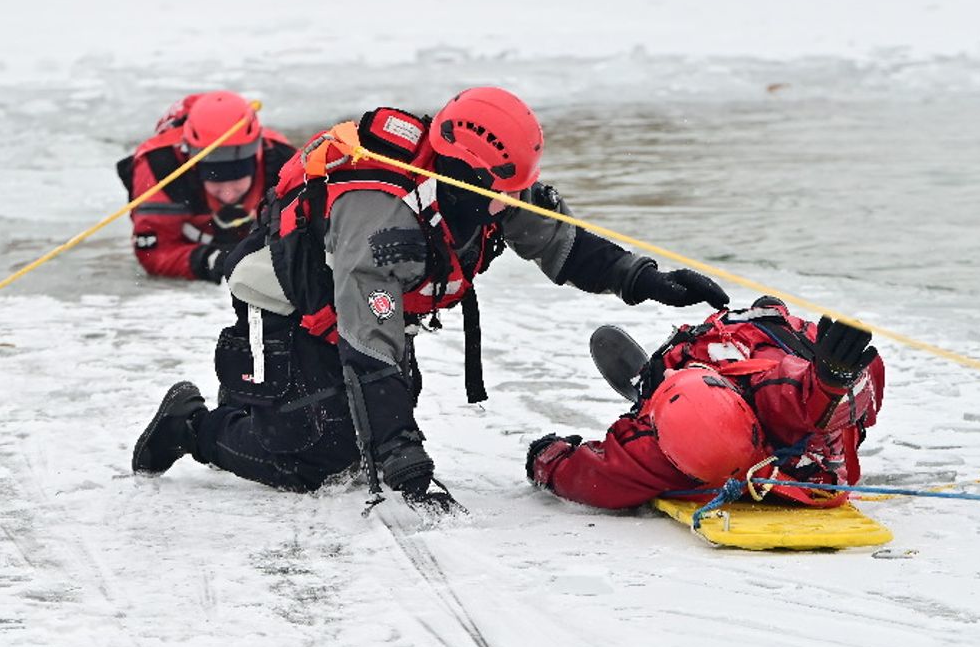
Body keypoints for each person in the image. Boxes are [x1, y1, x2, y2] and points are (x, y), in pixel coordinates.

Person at [131, 86, 730, 505]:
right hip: (287, 300)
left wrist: (648, 280)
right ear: (469, 176)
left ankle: (341, 435)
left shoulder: (485, 191)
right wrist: (403, 458)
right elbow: (371, 340)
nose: (515, 202)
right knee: (313, 450)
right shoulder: (386, 222)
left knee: (364, 431)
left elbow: (561, 244)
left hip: (362, 303)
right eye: (507, 191)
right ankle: (190, 427)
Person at [526, 297, 886, 509]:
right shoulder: (773, 391)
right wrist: (832, 381)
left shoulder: (651, 452)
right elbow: (802, 394)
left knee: (805, 385)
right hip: (804, 457)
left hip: (767, 437)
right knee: (820, 394)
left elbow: (591, 476)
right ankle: (658, 383)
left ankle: (650, 388)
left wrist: (547, 458)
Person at [118, 90, 296, 282]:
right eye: (215, 179)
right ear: (193, 165)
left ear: (258, 158)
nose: (228, 195)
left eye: (237, 179)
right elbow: (153, 253)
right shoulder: (160, 168)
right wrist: (207, 260)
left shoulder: (283, 162)